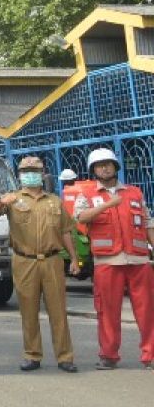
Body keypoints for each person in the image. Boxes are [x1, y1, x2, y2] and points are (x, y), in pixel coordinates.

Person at [0, 155, 79, 372]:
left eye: (35, 171)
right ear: (20, 176)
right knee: (28, 310)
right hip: (24, 260)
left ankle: (65, 357)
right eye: (26, 171)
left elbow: (66, 231)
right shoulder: (13, 199)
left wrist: (74, 258)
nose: (30, 175)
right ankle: (32, 354)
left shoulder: (54, 201)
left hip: (52, 260)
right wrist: (2, 201)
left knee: (58, 311)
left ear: (42, 175)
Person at [73, 147, 154, 370]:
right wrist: (108, 204)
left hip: (138, 260)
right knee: (107, 311)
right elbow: (80, 218)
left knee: (147, 310)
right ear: (94, 170)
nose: (105, 168)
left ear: (116, 167)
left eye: (108, 164)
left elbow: (147, 223)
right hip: (107, 262)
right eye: (100, 165)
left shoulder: (134, 192)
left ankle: (150, 354)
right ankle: (109, 355)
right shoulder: (87, 195)